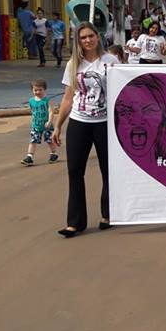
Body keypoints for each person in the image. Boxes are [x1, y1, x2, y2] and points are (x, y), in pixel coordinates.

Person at [52, 22, 119, 238]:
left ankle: (108, 214)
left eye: (91, 36)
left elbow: (123, 91)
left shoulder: (110, 62)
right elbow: (68, 98)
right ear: (78, 41)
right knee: (74, 172)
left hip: (105, 123)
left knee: (108, 170)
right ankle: (75, 222)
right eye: (83, 38)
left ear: (98, 37)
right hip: (79, 122)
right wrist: (58, 125)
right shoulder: (73, 65)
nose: (87, 40)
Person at [22, 79, 59, 166]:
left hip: (47, 126)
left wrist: (50, 121)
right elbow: (33, 111)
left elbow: (51, 111)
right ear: (32, 90)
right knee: (33, 141)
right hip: (36, 125)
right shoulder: (31, 101)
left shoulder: (47, 100)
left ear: (44, 90)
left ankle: (53, 154)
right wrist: (33, 119)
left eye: (40, 90)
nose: (38, 92)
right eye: (35, 90)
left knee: (49, 140)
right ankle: (29, 157)